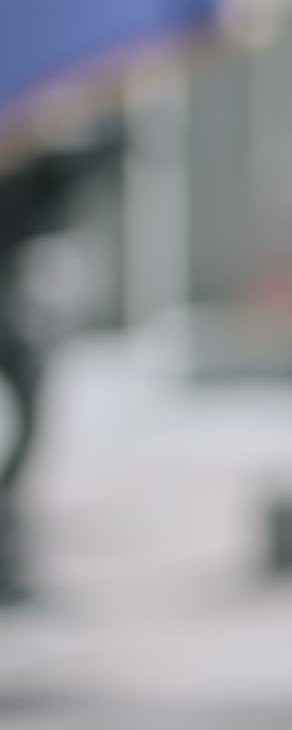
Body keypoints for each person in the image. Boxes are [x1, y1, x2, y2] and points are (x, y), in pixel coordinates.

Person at [0, 117, 120, 608]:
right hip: (14, 309)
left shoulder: (33, 156)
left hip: (16, 309)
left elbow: (69, 174)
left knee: (26, 432)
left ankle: (7, 553)